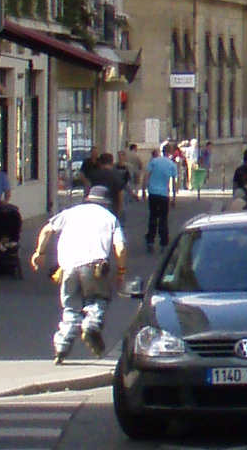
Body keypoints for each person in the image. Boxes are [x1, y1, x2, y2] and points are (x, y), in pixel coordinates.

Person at [30, 184, 127, 360]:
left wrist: (39, 252)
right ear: (106, 203)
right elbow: (120, 248)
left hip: (68, 267)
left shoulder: (70, 213)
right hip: (95, 267)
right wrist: (121, 271)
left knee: (70, 307)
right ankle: (91, 324)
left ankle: (62, 347)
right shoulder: (110, 218)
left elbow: (46, 230)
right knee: (99, 299)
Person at [143, 142, 174, 252]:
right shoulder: (171, 164)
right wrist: (173, 197)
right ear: (169, 152)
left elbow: (146, 175)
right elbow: (173, 182)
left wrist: (143, 190)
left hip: (153, 192)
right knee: (163, 219)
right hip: (164, 194)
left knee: (153, 217)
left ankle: (150, 240)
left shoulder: (154, 161)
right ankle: (163, 243)